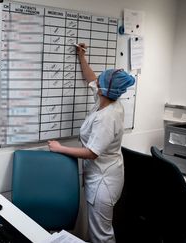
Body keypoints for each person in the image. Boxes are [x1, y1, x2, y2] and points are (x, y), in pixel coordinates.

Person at [47, 43, 135, 243]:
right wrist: (81, 56)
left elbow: (92, 153)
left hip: (104, 181)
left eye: (100, 81)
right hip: (100, 172)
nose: (97, 81)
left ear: (104, 89)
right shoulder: (107, 98)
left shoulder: (108, 116)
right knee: (91, 229)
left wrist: (60, 148)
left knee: (101, 235)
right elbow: (91, 77)